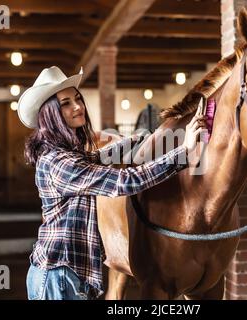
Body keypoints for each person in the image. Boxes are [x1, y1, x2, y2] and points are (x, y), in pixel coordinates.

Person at [17, 66, 206, 300]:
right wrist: (183, 152)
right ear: (50, 114)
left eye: (78, 98)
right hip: (59, 276)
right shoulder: (59, 162)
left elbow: (97, 158)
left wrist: (143, 138)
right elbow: (124, 181)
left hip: (65, 274)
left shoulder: (65, 154)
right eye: (65, 103)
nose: (78, 107)